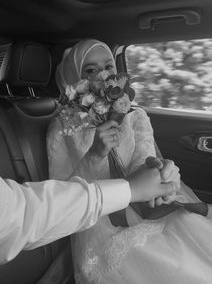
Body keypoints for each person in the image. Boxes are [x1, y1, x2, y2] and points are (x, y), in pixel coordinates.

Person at [47, 39, 212, 284]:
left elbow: (144, 163)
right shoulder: (63, 126)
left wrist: (162, 176)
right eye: (90, 70)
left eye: (109, 67)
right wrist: (95, 155)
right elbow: (62, 196)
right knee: (179, 269)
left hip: (145, 206)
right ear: (74, 78)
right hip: (100, 220)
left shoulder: (134, 115)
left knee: (193, 231)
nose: (103, 75)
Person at [0, 157, 176, 267]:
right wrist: (130, 188)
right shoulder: (64, 120)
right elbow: (19, 215)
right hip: (94, 225)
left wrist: (159, 177)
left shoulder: (137, 115)